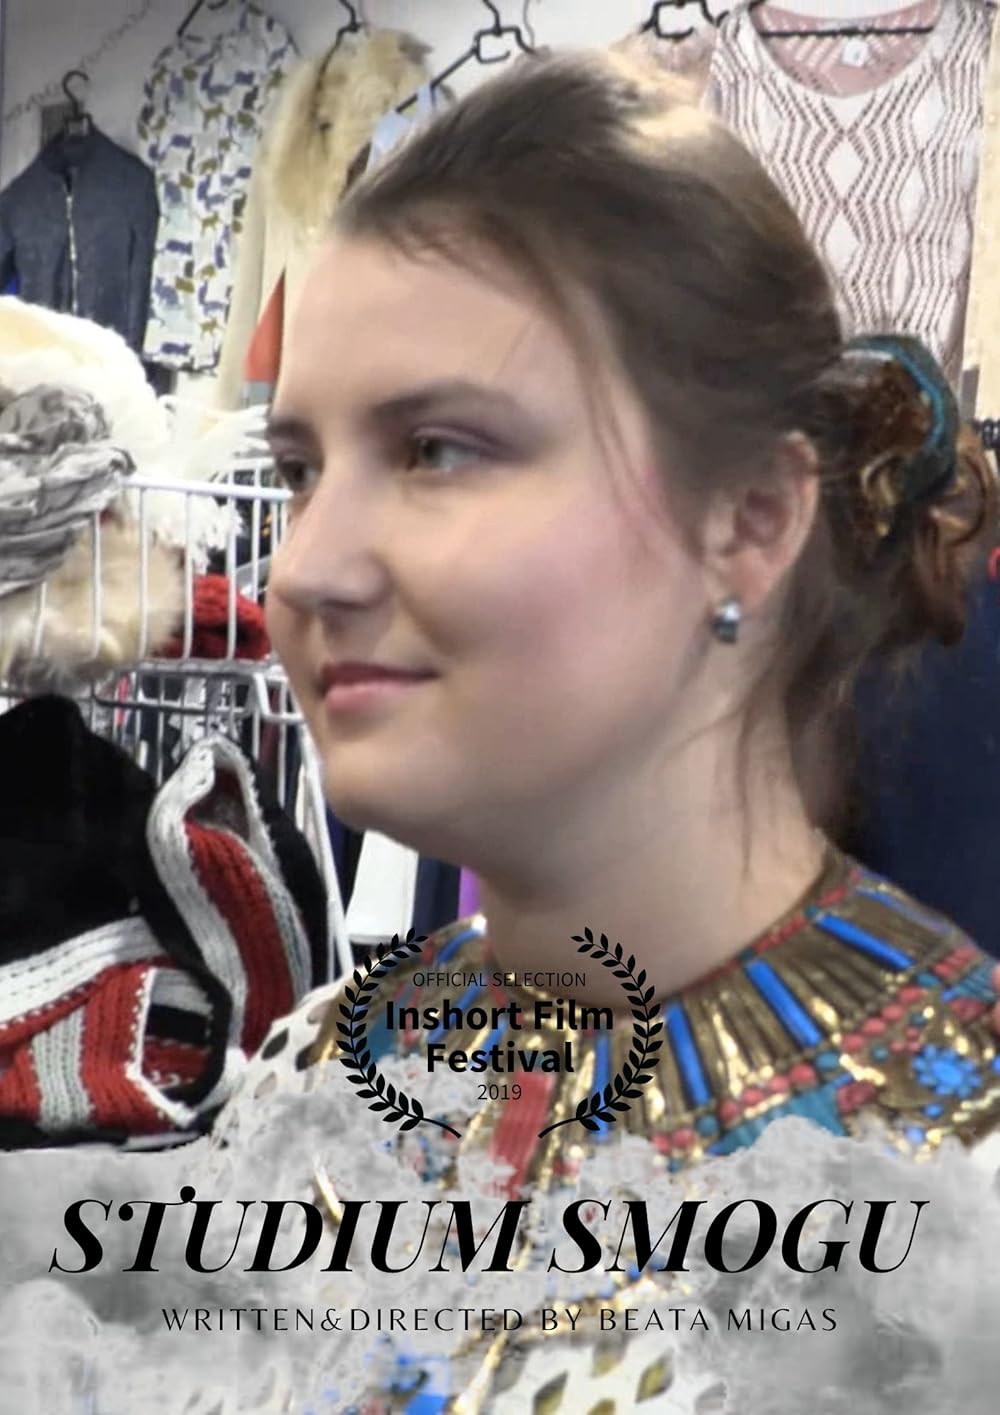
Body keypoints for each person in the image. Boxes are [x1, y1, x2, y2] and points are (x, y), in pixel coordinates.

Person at [227, 48, 1000, 1409]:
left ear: (750, 519)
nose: (302, 571)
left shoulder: (962, 1178)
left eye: (437, 449)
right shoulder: (314, 1081)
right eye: (301, 469)